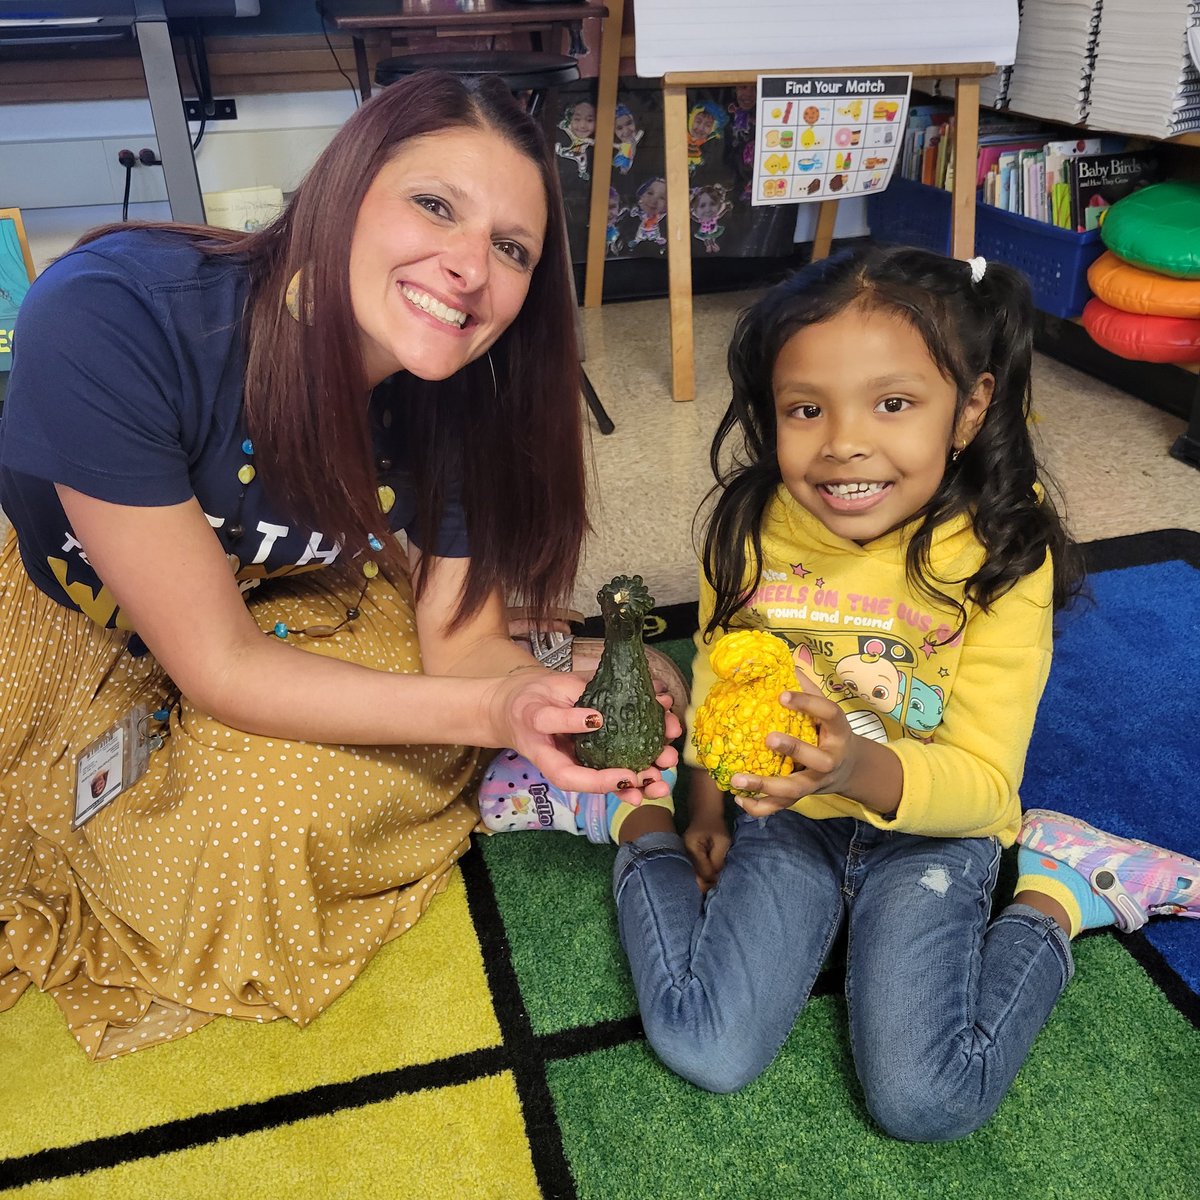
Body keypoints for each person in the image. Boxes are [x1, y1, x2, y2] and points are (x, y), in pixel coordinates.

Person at [0, 70, 677, 1061]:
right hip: (72, 610)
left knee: (261, 831)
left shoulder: (454, 391)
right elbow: (219, 666)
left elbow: (460, 645)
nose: (468, 267)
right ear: (344, 186)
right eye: (435, 205)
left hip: (281, 607)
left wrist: (537, 698)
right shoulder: (111, 317)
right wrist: (495, 715)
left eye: (511, 248)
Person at [479, 245, 1199, 1139]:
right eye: (804, 409)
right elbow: (720, 678)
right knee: (709, 1047)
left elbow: (984, 784)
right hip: (788, 820)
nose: (844, 442)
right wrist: (699, 800)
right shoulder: (751, 527)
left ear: (970, 409)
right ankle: (633, 818)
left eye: (893, 404)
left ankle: (1063, 891)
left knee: (927, 1102)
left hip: (937, 833)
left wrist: (855, 764)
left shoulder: (1006, 558)